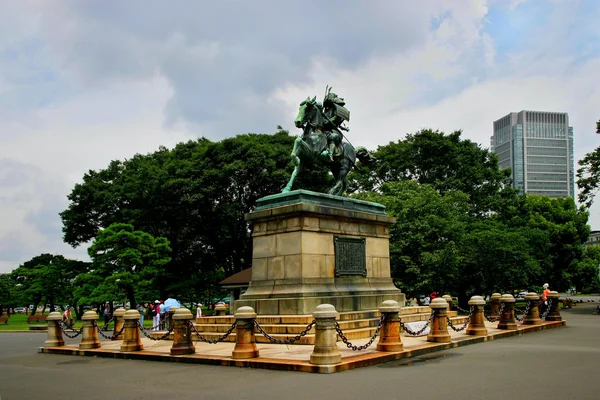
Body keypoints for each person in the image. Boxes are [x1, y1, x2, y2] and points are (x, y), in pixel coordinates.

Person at [321, 89, 350, 161]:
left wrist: (329, 121)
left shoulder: (337, 113)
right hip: (323, 129)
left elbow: (337, 122)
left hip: (333, 131)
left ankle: (330, 153)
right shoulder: (325, 111)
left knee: (333, 137)